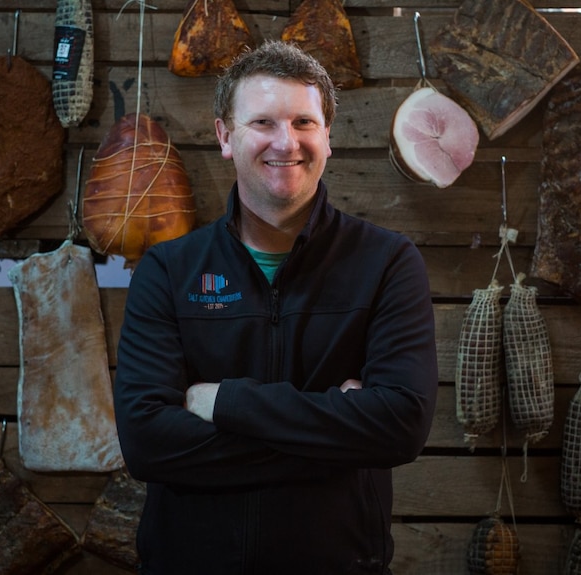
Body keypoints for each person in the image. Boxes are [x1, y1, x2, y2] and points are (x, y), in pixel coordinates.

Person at [114, 40, 438, 575]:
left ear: (328, 137)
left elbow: (400, 425)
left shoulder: (387, 263)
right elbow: (147, 444)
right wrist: (340, 438)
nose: (286, 142)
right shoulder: (168, 271)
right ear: (225, 136)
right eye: (263, 122)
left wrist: (227, 405)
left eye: (304, 123)